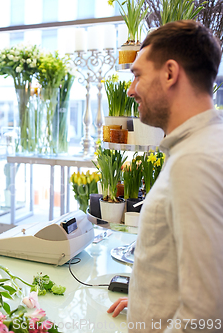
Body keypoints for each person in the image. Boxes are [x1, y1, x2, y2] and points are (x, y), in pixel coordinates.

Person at [107, 20, 223, 331]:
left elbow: (205, 312)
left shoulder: (195, 162)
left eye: (138, 76)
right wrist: (151, 299)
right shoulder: (204, 146)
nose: (131, 90)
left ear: (170, 73)